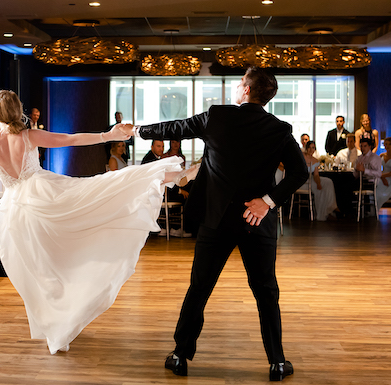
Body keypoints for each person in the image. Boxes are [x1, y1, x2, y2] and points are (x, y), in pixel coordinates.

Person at [0, 81, 186, 355]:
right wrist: (108, 135)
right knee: (94, 197)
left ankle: (58, 327)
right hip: (43, 198)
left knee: (41, 273)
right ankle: (163, 175)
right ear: (18, 111)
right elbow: (72, 140)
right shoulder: (29, 136)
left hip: (15, 213)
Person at [121, 66, 307, 382]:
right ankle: (277, 362)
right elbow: (299, 172)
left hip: (216, 220)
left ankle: (180, 355)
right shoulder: (279, 128)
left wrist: (137, 131)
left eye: (240, 83)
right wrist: (268, 202)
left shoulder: (217, 117)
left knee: (200, 288)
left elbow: (175, 127)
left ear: (247, 90)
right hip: (257, 220)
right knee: (266, 292)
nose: (237, 86)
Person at [303, 141, 339, 221]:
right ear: (307, 148)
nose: (311, 150)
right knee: (319, 189)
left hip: (311, 177)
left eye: (313, 148)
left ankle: (331, 207)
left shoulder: (315, 160)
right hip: (302, 179)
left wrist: (318, 183)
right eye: (309, 147)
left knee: (328, 181)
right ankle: (322, 213)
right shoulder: (302, 156)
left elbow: (316, 175)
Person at [376, 137, 391, 211]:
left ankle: (375, 209)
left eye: (389, 144)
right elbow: (378, 170)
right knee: (375, 184)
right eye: (386, 144)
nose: (387, 146)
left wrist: (382, 176)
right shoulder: (381, 155)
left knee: (378, 189)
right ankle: (372, 210)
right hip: (382, 178)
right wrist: (382, 177)